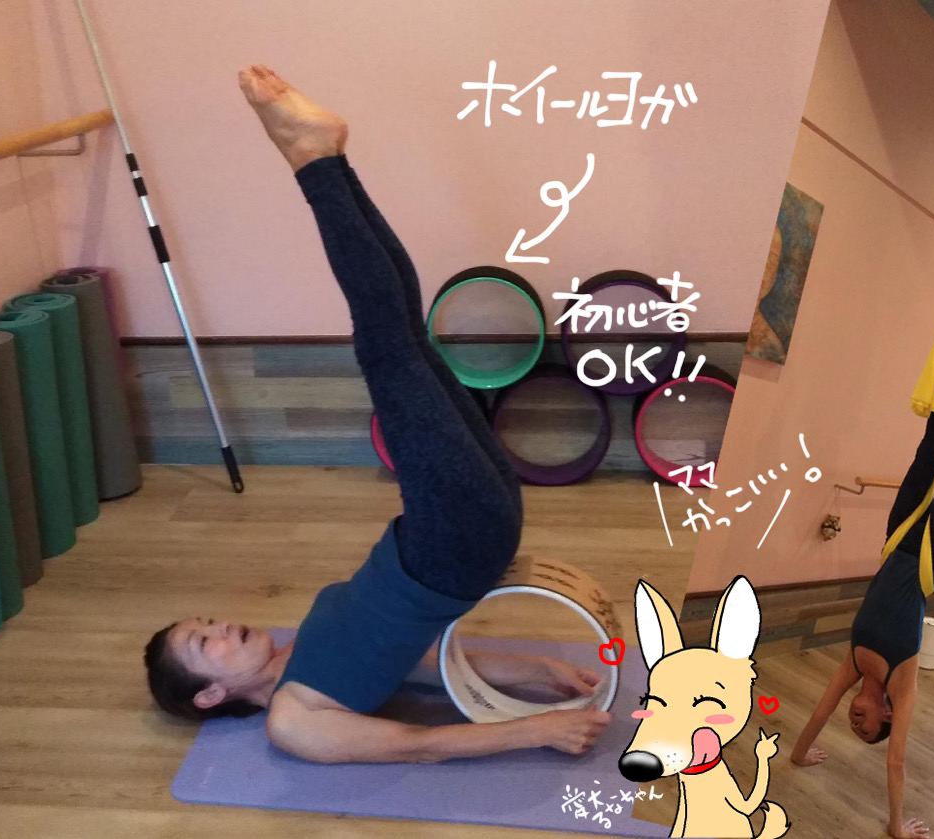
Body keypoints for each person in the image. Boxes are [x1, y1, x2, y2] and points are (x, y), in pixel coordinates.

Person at [142, 65, 612, 763]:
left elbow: (431, 662)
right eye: (201, 640)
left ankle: (325, 157)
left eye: (204, 620)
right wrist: (537, 730)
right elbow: (414, 744)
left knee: (403, 335)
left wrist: (537, 671)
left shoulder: (302, 649)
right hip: (451, 545)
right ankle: (313, 160)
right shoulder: (293, 718)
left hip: (451, 532)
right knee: (386, 344)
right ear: (209, 694)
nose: (220, 624)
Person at [788, 331, 934, 839]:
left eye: (853, 725)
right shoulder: (903, 686)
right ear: (886, 715)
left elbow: (819, 711)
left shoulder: (852, 663)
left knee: (928, 449)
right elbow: (897, 761)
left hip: (898, 539)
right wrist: (895, 827)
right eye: (866, 727)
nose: (854, 721)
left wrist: (799, 754)